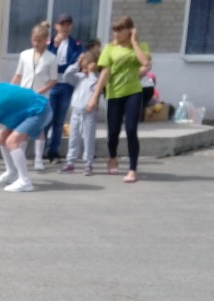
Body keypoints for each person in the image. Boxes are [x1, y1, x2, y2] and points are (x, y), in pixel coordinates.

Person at [87, 17, 151, 184]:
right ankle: (113, 156)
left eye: (120, 30)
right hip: (114, 94)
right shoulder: (109, 49)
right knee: (113, 132)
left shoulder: (141, 46)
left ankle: (132, 169)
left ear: (130, 30)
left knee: (131, 129)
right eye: (114, 30)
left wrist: (134, 42)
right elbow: (104, 73)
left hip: (133, 92)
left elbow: (145, 62)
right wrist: (94, 97)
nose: (116, 33)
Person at [11, 21, 58, 172]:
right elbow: (18, 75)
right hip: (25, 96)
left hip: (40, 97)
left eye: (40, 41)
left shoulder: (51, 58)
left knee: (39, 128)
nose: (37, 43)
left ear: (46, 40)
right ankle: (21, 156)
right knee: (23, 127)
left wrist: (40, 91)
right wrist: (11, 89)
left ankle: (38, 159)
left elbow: (53, 80)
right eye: (34, 40)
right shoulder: (24, 55)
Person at [45, 13, 84, 163]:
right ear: (56, 26)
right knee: (47, 117)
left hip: (66, 85)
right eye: (62, 24)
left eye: (68, 24)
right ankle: (41, 149)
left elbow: (75, 63)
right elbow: (46, 62)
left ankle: (53, 151)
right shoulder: (49, 43)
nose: (65, 28)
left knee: (59, 121)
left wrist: (59, 67)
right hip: (51, 85)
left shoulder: (76, 44)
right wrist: (55, 46)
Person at [58, 51, 100, 176]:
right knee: (73, 137)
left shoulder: (97, 78)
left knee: (88, 138)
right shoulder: (79, 77)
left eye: (87, 62)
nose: (84, 64)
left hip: (89, 112)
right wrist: (76, 64)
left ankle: (88, 163)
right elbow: (67, 76)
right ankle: (70, 162)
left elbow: (97, 87)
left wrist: (91, 72)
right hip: (76, 111)